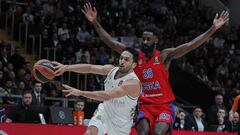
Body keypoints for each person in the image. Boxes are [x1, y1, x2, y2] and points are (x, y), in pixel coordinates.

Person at [81, 2, 229, 135]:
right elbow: (111, 42)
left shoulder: (164, 56)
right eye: (143, 38)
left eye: (148, 39)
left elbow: (191, 45)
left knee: (158, 133)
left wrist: (212, 29)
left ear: (156, 40)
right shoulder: (134, 55)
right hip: (144, 105)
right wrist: (95, 22)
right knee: (143, 132)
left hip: (164, 106)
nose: (144, 41)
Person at [53, 47, 141, 135]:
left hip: (121, 121)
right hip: (105, 111)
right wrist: (66, 67)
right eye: (121, 58)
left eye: (126, 60)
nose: (122, 61)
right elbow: (90, 68)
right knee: (90, 133)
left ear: (133, 65)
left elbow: (107, 95)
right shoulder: (111, 70)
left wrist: (80, 92)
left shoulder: (133, 83)